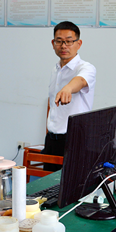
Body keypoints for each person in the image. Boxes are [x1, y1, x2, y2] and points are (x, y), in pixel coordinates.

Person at [41, 21, 96, 170]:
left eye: (69, 41)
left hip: (74, 141)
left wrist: (68, 88)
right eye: (59, 41)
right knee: (48, 183)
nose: (64, 46)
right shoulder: (55, 70)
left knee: (71, 183)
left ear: (79, 43)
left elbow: (81, 80)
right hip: (52, 140)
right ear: (53, 44)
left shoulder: (86, 68)